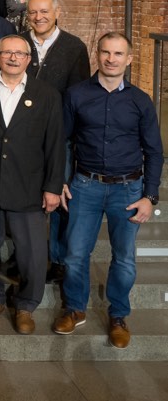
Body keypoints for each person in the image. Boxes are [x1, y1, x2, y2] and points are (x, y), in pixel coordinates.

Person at [52, 33, 163, 349]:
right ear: (97, 55)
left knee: (125, 258)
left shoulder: (140, 101)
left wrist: (149, 196)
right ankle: (74, 308)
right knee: (74, 256)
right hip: (84, 186)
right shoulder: (76, 95)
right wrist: (59, 181)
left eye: (118, 54)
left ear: (128, 59)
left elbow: (154, 151)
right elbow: (61, 141)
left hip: (128, 191)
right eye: (105, 52)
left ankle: (118, 315)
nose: (111, 59)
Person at [0, 35, 66, 335]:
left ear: (28, 59)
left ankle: (26, 305)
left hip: (30, 186)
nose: (12, 58)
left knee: (32, 254)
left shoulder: (47, 94)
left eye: (19, 53)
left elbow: (55, 144)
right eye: (6, 52)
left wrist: (53, 186)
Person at [21, 0, 90, 282]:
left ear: (57, 13)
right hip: (22, 137)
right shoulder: (18, 43)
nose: (38, 17)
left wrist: (68, 135)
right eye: (33, 12)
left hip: (59, 136)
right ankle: (23, 255)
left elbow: (79, 96)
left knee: (59, 198)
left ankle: (58, 258)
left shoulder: (74, 47)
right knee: (24, 197)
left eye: (44, 11)